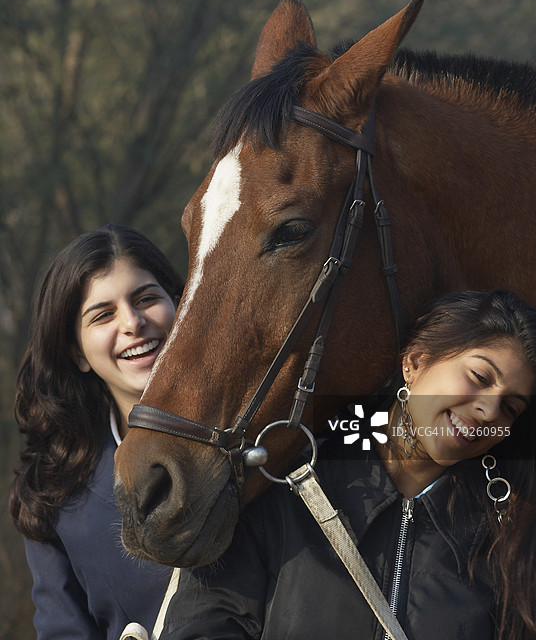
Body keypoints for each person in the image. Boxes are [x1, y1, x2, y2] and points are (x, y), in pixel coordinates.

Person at [158, 289, 536, 640]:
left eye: (510, 407)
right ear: (415, 361)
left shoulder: (505, 540)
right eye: (479, 377)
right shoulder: (282, 487)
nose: (489, 411)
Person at [9, 225, 184, 640]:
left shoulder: (275, 431)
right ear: (77, 352)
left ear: (181, 306)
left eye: (146, 299)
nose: (133, 322)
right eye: (103, 315)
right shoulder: (52, 496)